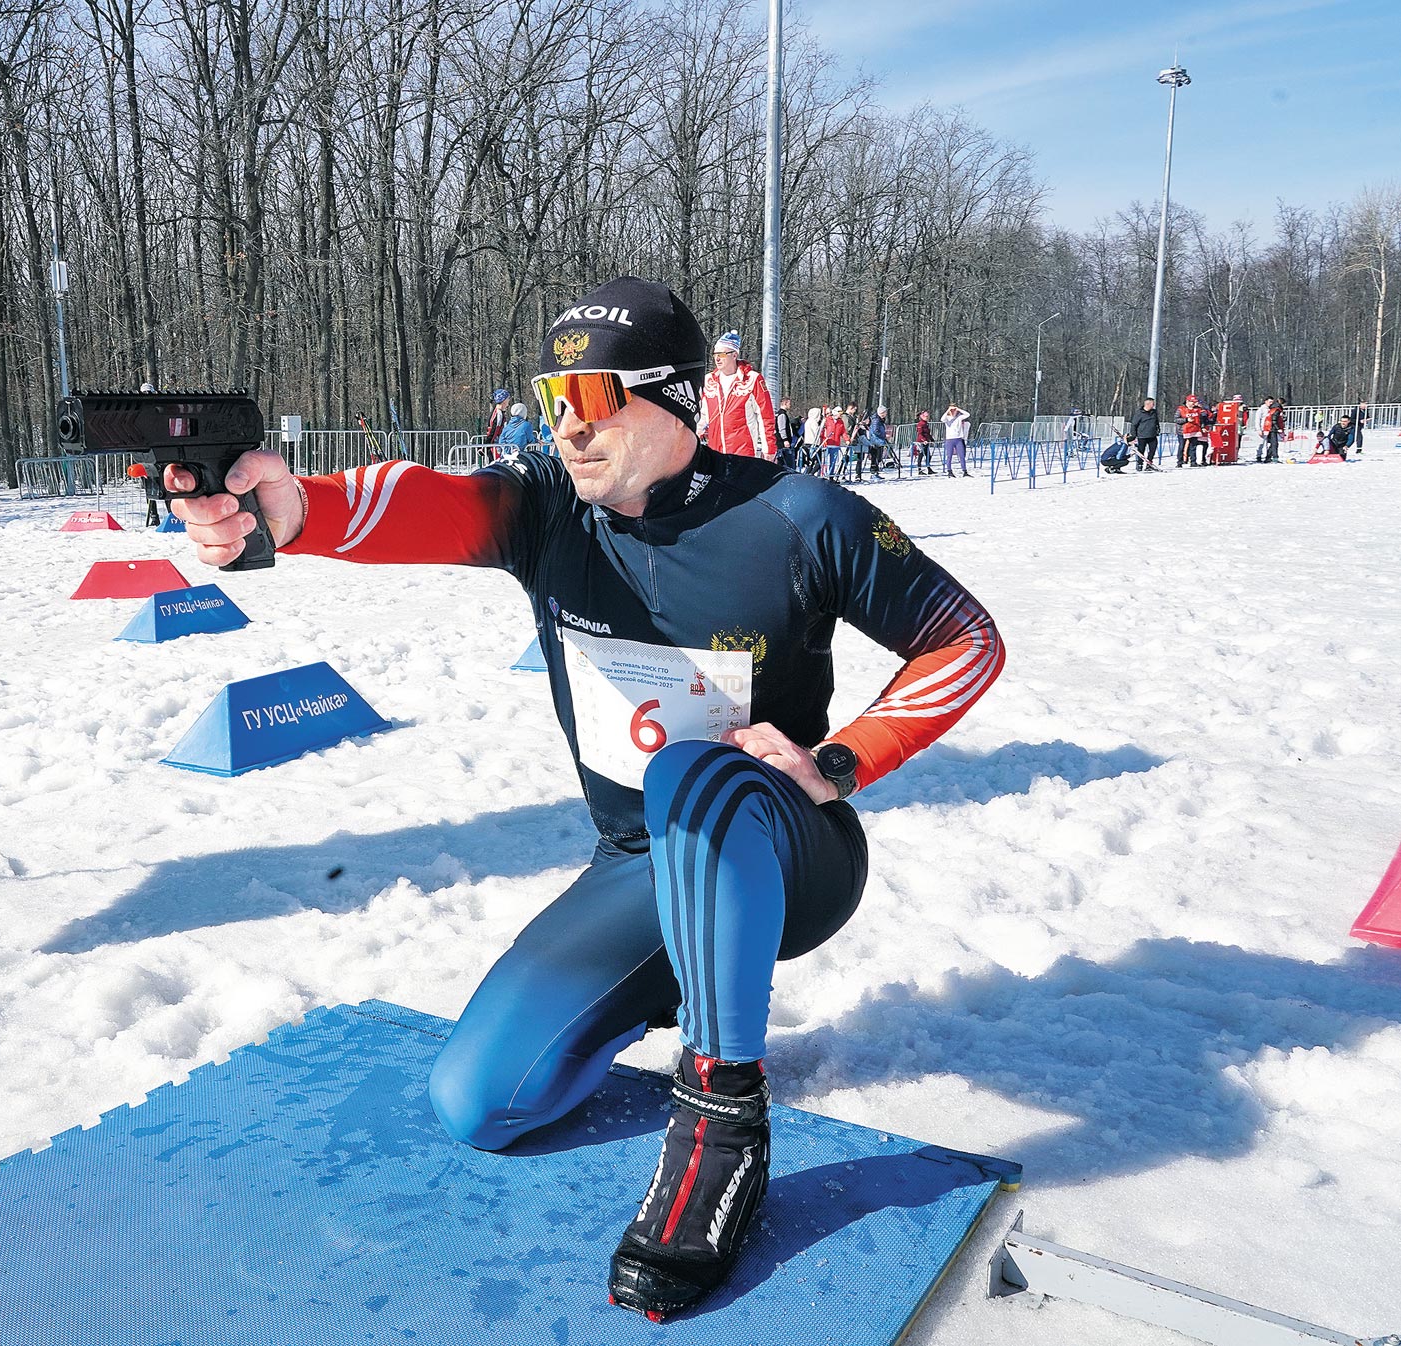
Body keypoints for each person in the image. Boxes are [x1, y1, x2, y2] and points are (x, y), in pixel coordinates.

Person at [166, 277, 1004, 1322]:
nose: (566, 424)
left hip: (790, 858)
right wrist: (293, 513)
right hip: (638, 864)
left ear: (675, 399)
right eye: (551, 396)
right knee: (478, 1100)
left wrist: (838, 762)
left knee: (689, 771)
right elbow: (425, 502)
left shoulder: (800, 515)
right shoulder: (547, 507)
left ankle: (723, 1124)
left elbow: (966, 640)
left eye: (593, 397)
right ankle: (673, 974)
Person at [696, 331, 779, 460]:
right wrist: (693, 436)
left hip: (743, 452)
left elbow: (765, 416)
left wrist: (768, 448)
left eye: (722, 354)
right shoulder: (709, 380)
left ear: (734, 355)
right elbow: (703, 414)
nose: (717, 358)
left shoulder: (752, 379)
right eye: (715, 354)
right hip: (715, 452)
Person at [1126, 397, 1161, 471]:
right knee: (1141, 451)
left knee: (1152, 450)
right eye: (1152, 404)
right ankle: (1139, 464)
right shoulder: (1139, 413)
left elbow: (1156, 422)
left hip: (1152, 435)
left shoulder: (1154, 412)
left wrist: (1158, 429)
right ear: (1147, 404)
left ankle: (1149, 464)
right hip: (1142, 435)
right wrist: (1133, 435)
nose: (1153, 405)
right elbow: (1134, 424)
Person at [940, 402, 971, 477]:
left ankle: (964, 471)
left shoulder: (959, 417)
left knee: (961, 455)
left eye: (954, 410)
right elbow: (942, 419)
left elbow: (967, 414)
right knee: (949, 456)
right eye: (952, 410)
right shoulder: (947, 418)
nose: (953, 411)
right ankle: (949, 471)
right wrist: (948, 410)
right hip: (949, 439)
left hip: (958, 439)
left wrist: (958, 409)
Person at [820, 402, 849, 479]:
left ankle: (831, 475)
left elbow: (843, 432)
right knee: (825, 460)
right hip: (827, 443)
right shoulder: (827, 420)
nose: (840, 415)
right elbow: (822, 431)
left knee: (833, 461)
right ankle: (823, 474)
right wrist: (822, 440)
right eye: (839, 413)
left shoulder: (840, 422)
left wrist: (847, 439)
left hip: (836, 444)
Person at [1177, 394, 1207, 467]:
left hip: (1194, 430)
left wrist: (1202, 427)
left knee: (1193, 446)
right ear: (1187, 401)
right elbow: (1176, 419)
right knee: (1182, 446)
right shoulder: (1181, 409)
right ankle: (1180, 462)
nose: (1193, 403)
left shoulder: (1198, 410)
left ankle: (1193, 462)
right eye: (1192, 402)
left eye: (1194, 402)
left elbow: (1201, 420)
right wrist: (1186, 420)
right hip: (1182, 430)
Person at [862, 406, 890, 480]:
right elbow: (875, 430)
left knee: (878, 457)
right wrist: (883, 435)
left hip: (878, 440)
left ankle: (876, 472)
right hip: (875, 440)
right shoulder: (876, 420)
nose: (886, 414)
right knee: (875, 457)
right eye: (885, 412)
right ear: (882, 412)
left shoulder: (880, 419)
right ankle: (873, 473)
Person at [1257, 397, 1284, 463]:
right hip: (1267, 428)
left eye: (1272, 402)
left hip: (1269, 428)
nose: (1271, 403)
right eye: (1270, 402)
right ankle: (1260, 456)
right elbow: (1258, 420)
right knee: (1264, 443)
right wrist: (1258, 429)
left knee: (1272, 443)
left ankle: (1268, 457)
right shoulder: (1263, 409)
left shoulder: (1272, 408)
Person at [912, 410, 934, 475]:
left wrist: (931, 439)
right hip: (921, 442)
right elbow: (920, 434)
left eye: (928, 416)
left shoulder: (926, 423)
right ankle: (919, 470)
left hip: (926, 442)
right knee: (921, 455)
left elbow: (928, 433)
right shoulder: (920, 424)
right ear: (922, 417)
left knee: (928, 456)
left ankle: (928, 468)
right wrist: (924, 440)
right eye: (926, 416)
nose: (927, 418)